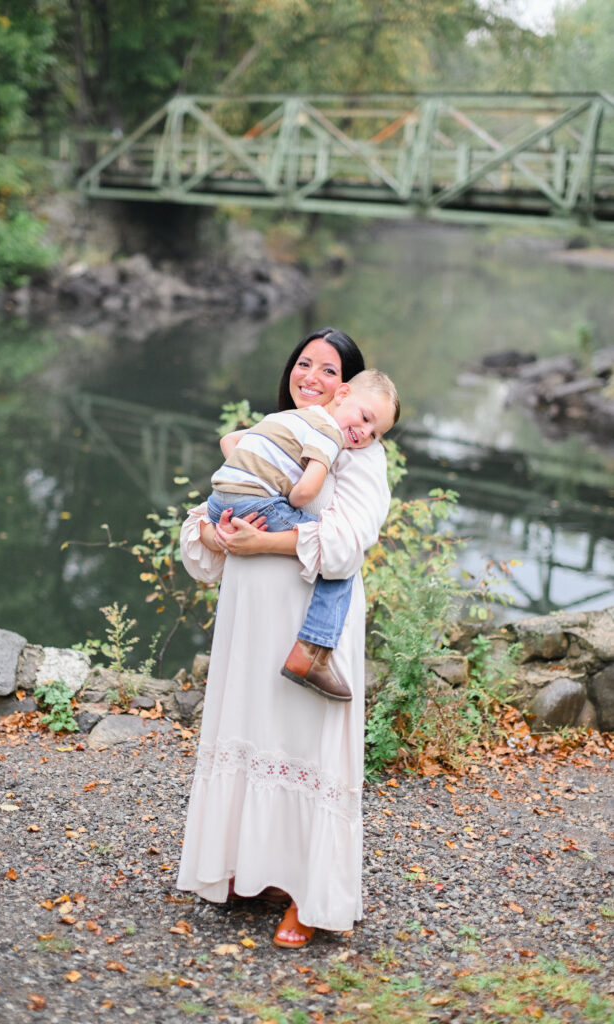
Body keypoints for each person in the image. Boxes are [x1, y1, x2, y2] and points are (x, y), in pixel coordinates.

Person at [176, 327, 392, 949]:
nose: (312, 378)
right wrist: (216, 533)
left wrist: (261, 542)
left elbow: (347, 545)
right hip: (250, 617)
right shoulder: (273, 432)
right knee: (254, 730)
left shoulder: (357, 455)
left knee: (305, 743)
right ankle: (255, 870)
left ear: (346, 387)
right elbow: (209, 515)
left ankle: (309, 896)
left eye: (329, 370)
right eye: (304, 363)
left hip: (308, 625)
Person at [207, 370, 399, 701]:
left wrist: (254, 478)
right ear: (342, 394)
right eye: (366, 418)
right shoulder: (328, 431)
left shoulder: (288, 420)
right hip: (257, 507)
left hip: (218, 501)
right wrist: (281, 494)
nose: (365, 434)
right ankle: (312, 652)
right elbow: (303, 494)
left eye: (376, 434)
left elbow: (229, 441)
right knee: (342, 560)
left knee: (337, 550)